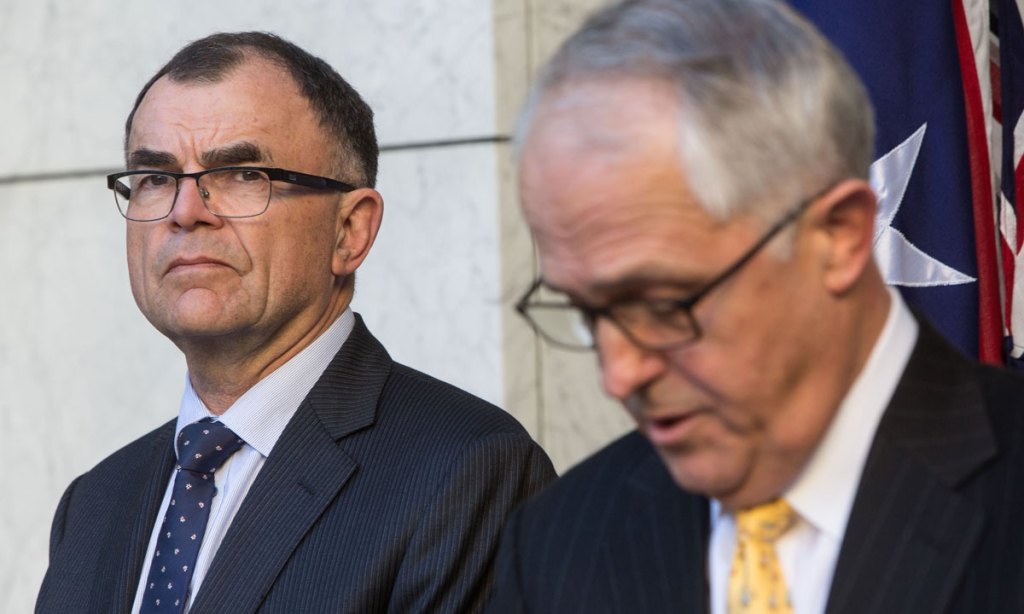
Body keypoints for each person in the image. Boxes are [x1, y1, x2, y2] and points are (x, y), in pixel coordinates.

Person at [488, 0, 1024, 612]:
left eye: (665, 305)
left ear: (840, 237)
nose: (619, 375)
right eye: (589, 312)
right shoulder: (558, 542)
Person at [35, 31, 555, 614]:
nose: (185, 212)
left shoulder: (467, 472)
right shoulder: (96, 504)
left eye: (241, 174)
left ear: (349, 231)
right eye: (156, 177)